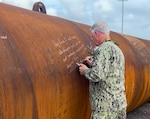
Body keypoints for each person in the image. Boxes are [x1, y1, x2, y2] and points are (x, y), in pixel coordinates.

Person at [78, 21, 127, 119]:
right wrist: (93, 64)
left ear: (96, 33)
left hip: (105, 108)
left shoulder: (103, 49)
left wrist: (85, 70)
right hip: (119, 103)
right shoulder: (117, 49)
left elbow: (98, 75)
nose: (92, 39)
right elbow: (111, 70)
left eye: (92, 36)